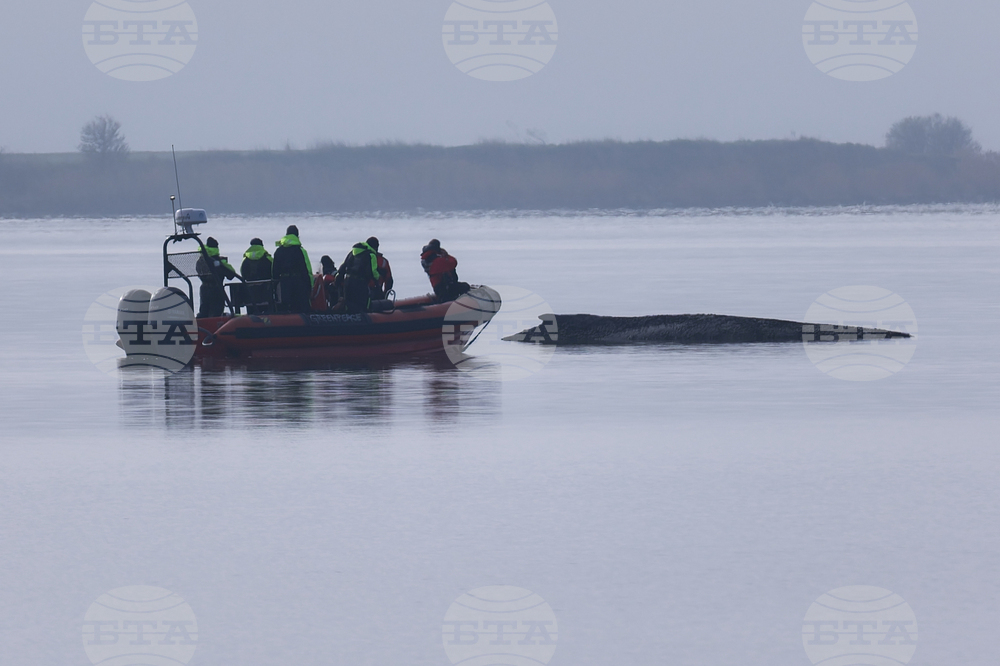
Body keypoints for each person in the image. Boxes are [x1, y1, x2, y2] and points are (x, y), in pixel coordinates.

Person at [272, 225, 313, 313]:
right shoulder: (299, 250)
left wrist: (275, 286)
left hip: (284, 283)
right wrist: (309, 286)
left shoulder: (278, 251)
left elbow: (274, 271)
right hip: (298, 283)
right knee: (301, 308)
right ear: (297, 236)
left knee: (285, 308)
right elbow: (306, 269)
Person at [195, 236, 238, 318]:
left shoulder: (200, 260)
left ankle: (201, 327)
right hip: (216, 290)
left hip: (203, 289)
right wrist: (224, 263)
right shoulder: (219, 261)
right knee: (216, 313)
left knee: (204, 311)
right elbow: (231, 274)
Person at [338, 237, 380, 313]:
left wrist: (337, 279)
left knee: (349, 304)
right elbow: (374, 272)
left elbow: (343, 266)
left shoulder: (352, 252)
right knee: (362, 305)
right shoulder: (371, 255)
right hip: (360, 284)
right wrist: (378, 282)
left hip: (348, 282)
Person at [240, 238, 272, 314]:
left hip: (250, 294)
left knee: (251, 314)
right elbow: (273, 271)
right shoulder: (268, 258)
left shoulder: (245, 259)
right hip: (265, 293)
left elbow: (243, 273)